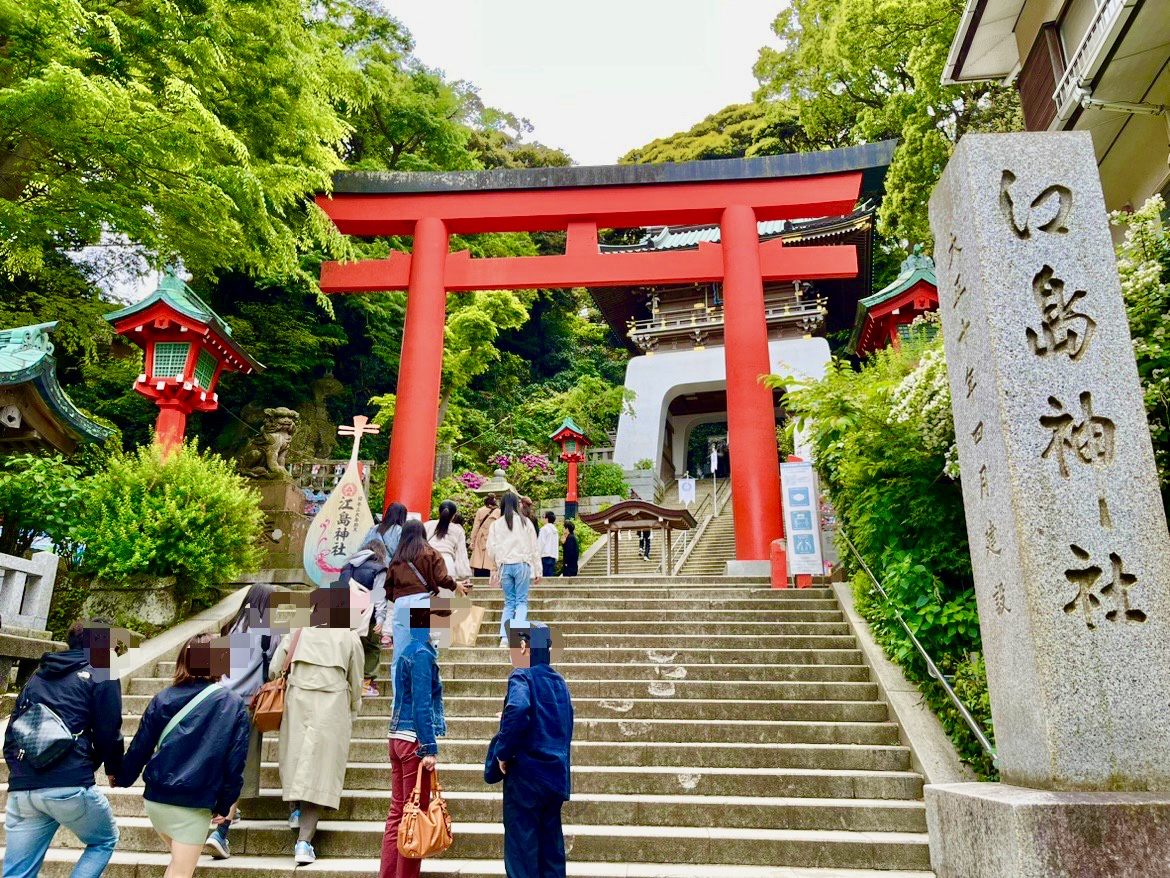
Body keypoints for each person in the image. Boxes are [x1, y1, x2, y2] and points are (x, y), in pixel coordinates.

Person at [117, 633, 250, 878]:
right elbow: (236, 762)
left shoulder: (163, 698)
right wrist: (225, 803)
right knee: (182, 870)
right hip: (194, 803)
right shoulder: (233, 703)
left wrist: (122, 777)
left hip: (157, 800)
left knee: (178, 865)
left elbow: (140, 747)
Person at [2, 620, 124, 878]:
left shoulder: (38, 674)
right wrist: (113, 769)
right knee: (103, 840)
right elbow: (108, 730)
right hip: (69, 783)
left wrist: (20, 769)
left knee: (17, 872)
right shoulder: (103, 671)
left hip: (24, 788)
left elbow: (13, 729)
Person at [270, 587, 365, 865]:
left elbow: (276, 669)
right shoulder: (348, 638)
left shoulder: (298, 632)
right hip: (332, 705)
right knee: (320, 769)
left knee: (295, 757)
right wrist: (354, 709)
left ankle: (294, 810)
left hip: (297, 701)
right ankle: (303, 842)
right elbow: (356, 680)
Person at [485, 622, 574, 878]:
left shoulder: (521, 674)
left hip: (527, 776)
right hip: (555, 776)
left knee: (522, 854)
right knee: (551, 853)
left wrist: (503, 752)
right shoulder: (560, 682)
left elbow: (519, 708)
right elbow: (562, 723)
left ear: (524, 647)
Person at [205, 585, 282, 859]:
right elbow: (276, 667)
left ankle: (217, 815)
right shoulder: (271, 632)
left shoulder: (230, 628)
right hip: (247, 705)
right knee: (239, 767)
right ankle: (221, 831)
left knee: (218, 762)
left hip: (218, 703)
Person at [380, 599, 450, 878]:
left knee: (398, 812)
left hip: (397, 736)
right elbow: (422, 704)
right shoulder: (422, 654)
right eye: (439, 619)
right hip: (413, 741)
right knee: (414, 817)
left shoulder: (408, 650)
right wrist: (429, 747)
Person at [387, 520, 463, 676]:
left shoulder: (397, 558)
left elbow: (388, 587)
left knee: (399, 655)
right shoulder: (431, 553)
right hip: (421, 602)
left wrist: (400, 598)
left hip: (401, 604)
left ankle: (398, 699)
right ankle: (422, 696)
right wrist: (456, 586)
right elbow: (441, 578)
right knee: (422, 652)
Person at [486, 492, 542, 649]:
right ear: (518, 505)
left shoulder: (496, 525)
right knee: (521, 601)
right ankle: (517, 637)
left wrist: (497, 563)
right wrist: (538, 570)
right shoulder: (525, 523)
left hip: (505, 566)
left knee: (509, 603)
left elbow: (491, 549)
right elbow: (534, 548)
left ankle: (504, 638)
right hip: (522, 565)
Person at [338, 540, 390, 697]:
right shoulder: (379, 568)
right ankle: (365, 684)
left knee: (348, 647)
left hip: (345, 613)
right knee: (371, 647)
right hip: (368, 615)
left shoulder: (346, 567)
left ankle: (345, 682)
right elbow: (379, 596)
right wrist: (381, 618)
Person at [425, 500, 473, 586]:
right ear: (454, 515)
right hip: (447, 564)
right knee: (446, 598)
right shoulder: (458, 530)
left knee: (430, 598)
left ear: (439, 512)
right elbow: (461, 554)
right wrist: (465, 575)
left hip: (428, 563)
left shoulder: (427, 525)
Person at [469, 494, 499, 577]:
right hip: (493, 536)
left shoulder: (480, 510)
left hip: (480, 536)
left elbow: (476, 526)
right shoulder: (499, 512)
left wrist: (472, 540)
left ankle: (478, 575)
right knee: (490, 560)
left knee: (479, 560)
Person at [538, 511, 559, 579]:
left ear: (547, 519)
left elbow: (540, 544)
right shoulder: (555, 531)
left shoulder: (544, 529)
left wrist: (537, 555)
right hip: (553, 556)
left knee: (543, 578)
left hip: (545, 556)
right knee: (550, 578)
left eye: (544, 517)